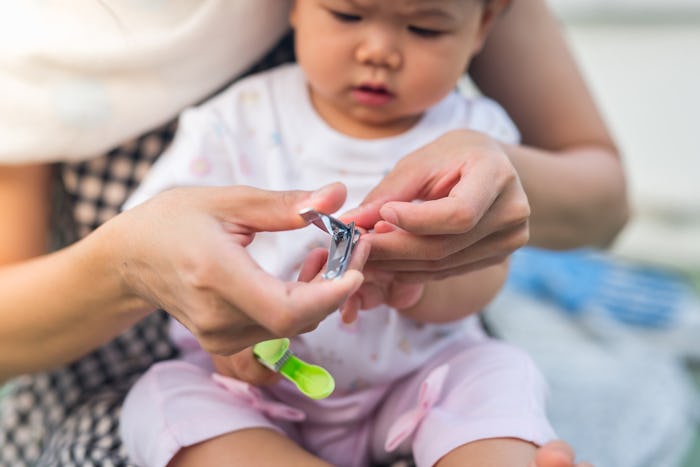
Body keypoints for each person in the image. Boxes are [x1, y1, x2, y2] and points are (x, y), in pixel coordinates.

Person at [0, 0, 621, 465]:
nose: (380, 50)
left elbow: (490, 273)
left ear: (484, 27)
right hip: (257, 383)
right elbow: (156, 240)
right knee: (168, 400)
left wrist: (425, 282)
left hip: (417, 375)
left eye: (426, 28)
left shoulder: (473, 127)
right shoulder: (238, 117)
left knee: (496, 373)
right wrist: (222, 331)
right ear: (290, 8)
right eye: (348, 14)